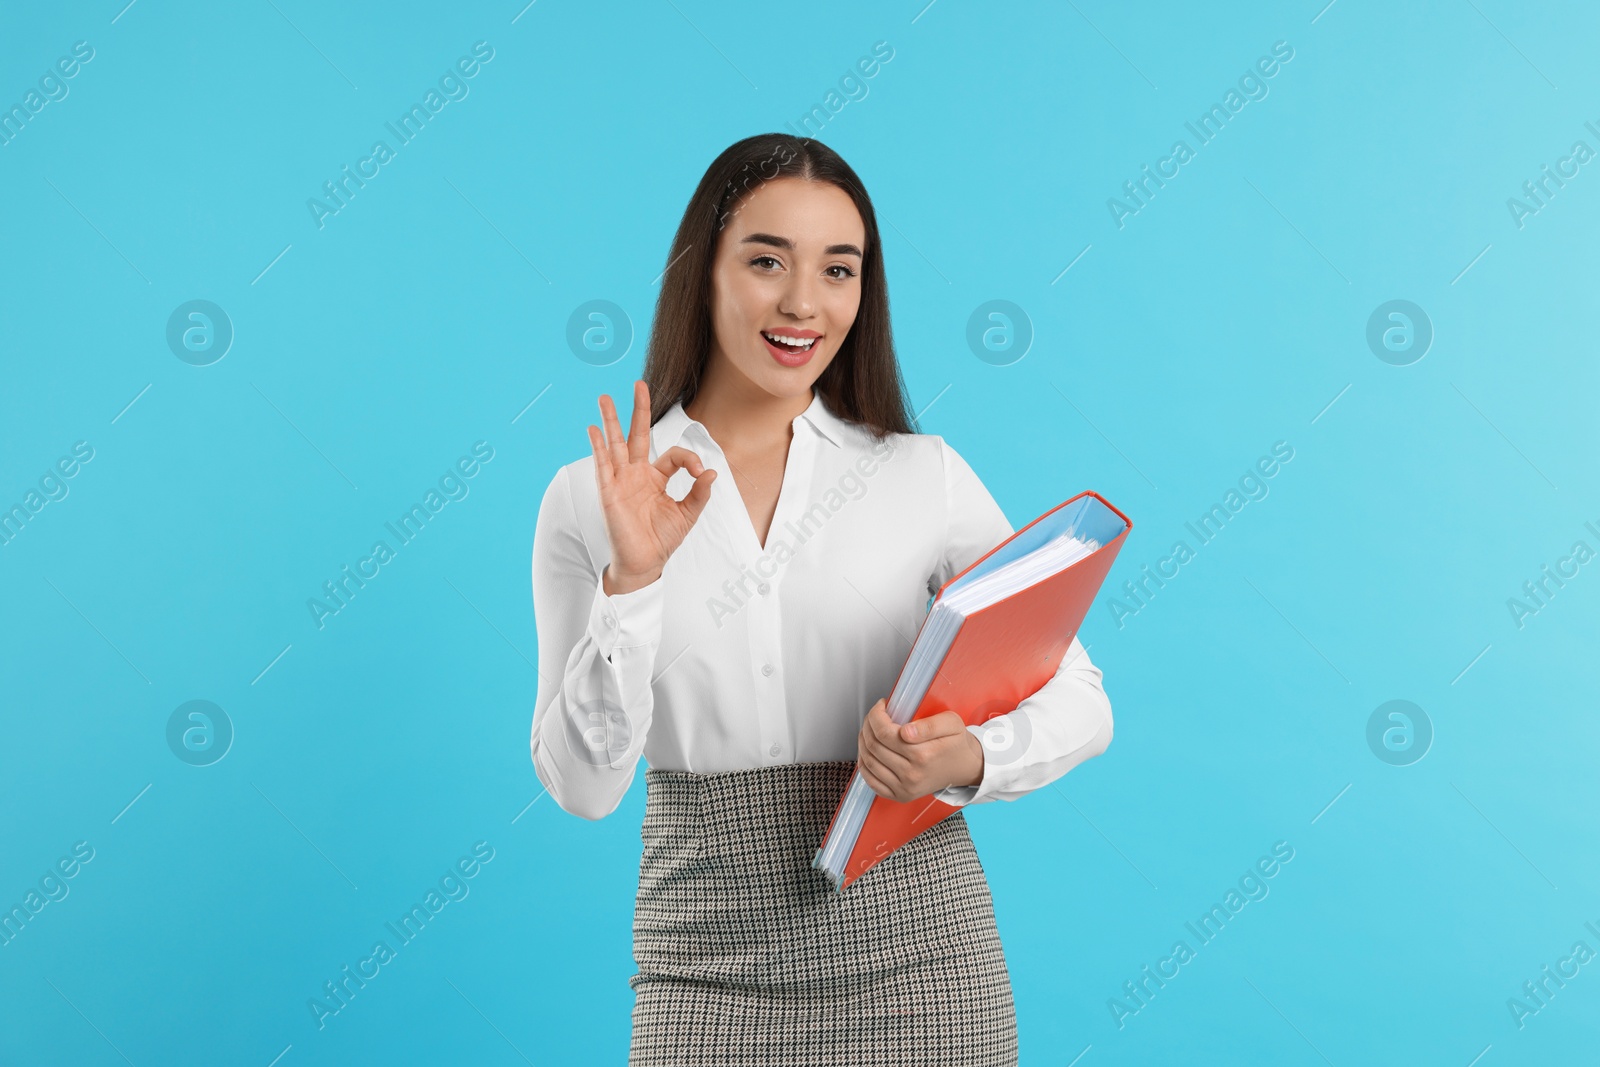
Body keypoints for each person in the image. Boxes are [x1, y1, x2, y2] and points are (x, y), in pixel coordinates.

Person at [530, 133, 1115, 1066]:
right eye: (767, 260)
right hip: (702, 966)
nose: (804, 302)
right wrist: (632, 582)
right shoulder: (592, 499)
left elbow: (1081, 697)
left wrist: (966, 756)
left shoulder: (921, 474)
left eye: (838, 270)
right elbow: (585, 786)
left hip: (922, 961)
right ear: (702, 271)